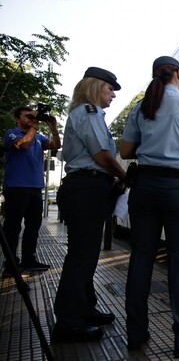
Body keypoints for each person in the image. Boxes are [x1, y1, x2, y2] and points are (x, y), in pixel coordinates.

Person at [120, 56, 179, 357]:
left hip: (144, 187)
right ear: (178, 75)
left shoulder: (141, 107)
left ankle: (136, 333)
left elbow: (124, 149)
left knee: (141, 258)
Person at [52, 67, 126, 343]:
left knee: (87, 254)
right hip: (87, 188)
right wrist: (125, 175)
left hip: (85, 188)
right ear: (96, 87)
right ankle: (68, 322)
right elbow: (103, 156)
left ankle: (85, 308)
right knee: (81, 256)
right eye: (110, 89)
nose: (113, 96)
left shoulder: (86, 114)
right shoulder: (89, 113)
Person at [2, 106, 61, 278]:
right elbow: (24, 145)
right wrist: (35, 126)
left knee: (33, 226)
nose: (31, 119)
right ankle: (10, 264)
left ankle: (29, 260)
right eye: (27, 116)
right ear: (17, 119)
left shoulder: (38, 137)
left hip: (35, 187)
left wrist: (54, 129)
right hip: (16, 187)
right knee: (12, 227)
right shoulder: (12, 133)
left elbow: (55, 145)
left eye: (33, 116)